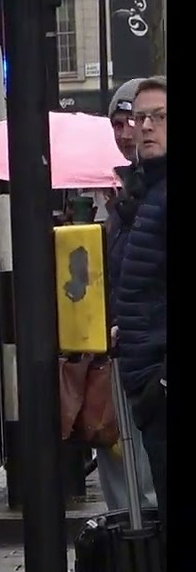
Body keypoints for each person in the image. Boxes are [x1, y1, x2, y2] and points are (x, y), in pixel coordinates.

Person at [93, 78, 157, 512]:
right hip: (128, 347)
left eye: (133, 121)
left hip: (149, 354)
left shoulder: (150, 187)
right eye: (118, 123)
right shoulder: (124, 190)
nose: (126, 132)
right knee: (122, 465)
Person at [113, 75, 167, 543]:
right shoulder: (143, 195)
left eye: (159, 117)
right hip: (146, 380)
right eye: (141, 117)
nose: (145, 127)